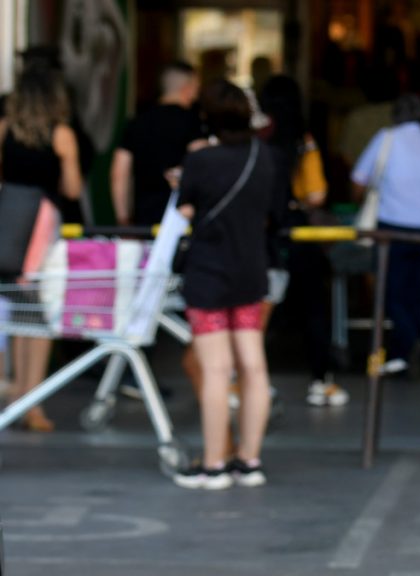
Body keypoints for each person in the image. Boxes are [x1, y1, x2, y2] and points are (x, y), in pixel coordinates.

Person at [172, 80, 274, 489]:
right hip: (251, 270)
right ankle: (249, 462)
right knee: (254, 366)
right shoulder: (265, 157)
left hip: (208, 273)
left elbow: (185, 208)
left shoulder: (201, 160)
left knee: (216, 370)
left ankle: (214, 464)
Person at [0, 63, 83, 432]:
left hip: (8, 227)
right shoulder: (62, 134)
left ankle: (15, 394)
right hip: (43, 231)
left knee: (14, 315)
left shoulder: (3, 130)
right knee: (38, 318)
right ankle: (32, 402)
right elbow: (73, 190)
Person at [259, 74, 348, 407]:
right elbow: (317, 192)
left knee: (257, 311)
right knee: (313, 305)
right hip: (298, 230)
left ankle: (246, 382)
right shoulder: (303, 139)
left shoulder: (256, 137)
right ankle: (319, 380)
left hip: (261, 230)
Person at [352, 94, 420, 376]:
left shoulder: (386, 138)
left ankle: (406, 346)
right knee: (415, 293)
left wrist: (361, 201)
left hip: (394, 226)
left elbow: (358, 181)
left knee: (391, 292)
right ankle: (404, 351)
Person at [111, 61, 202, 227]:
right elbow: (202, 164)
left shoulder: (137, 122)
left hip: (143, 220)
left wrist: (122, 219)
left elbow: (119, 174)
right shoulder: (193, 123)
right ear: (188, 88)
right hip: (183, 221)